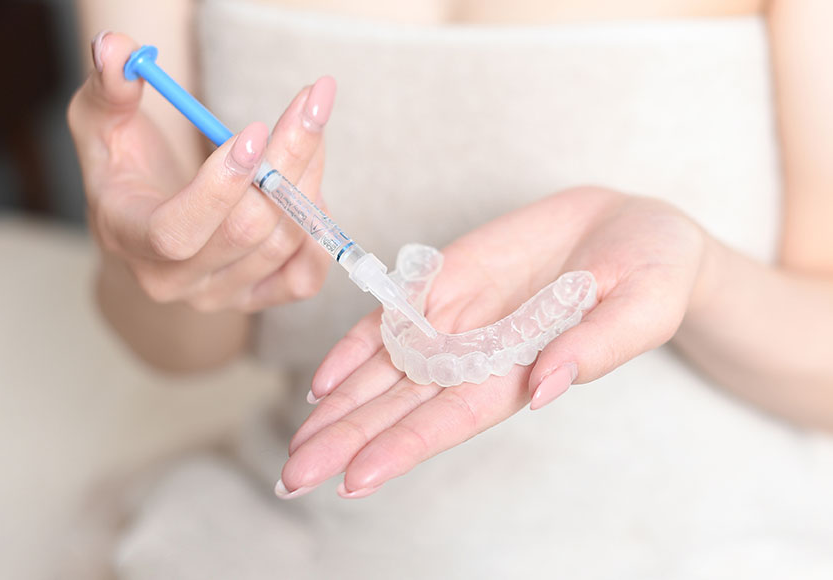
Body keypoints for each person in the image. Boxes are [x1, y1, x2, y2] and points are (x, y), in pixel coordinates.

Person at [69, 0, 833, 576]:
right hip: (323, 526)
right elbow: (181, 348)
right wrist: (166, 261)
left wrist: (698, 271)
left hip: (721, 530)